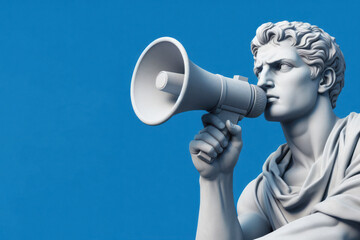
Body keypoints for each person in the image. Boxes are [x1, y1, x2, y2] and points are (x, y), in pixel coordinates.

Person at [190, 21, 360, 240]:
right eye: (259, 71)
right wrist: (215, 179)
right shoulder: (263, 192)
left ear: (324, 79)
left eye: (281, 66)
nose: (263, 82)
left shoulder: (356, 141)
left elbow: (339, 229)